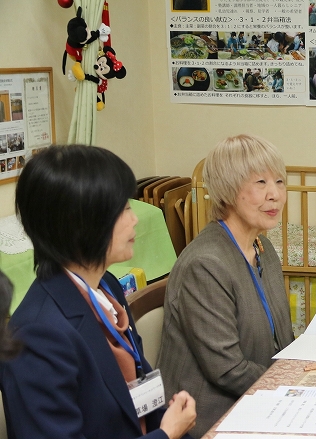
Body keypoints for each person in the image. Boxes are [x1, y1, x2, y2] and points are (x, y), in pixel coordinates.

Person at [1, 144, 197, 439]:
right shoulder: (37, 334)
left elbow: (138, 391)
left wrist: (168, 418)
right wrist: (166, 435)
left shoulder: (108, 287)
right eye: (123, 209)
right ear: (80, 223)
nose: (135, 219)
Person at [157, 135, 295, 438]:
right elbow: (227, 370)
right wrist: (294, 386)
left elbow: (281, 340)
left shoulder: (262, 248)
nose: (275, 194)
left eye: (280, 182)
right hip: (211, 417)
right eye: (260, 182)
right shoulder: (205, 264)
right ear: (228, 190)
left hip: (262, 399)